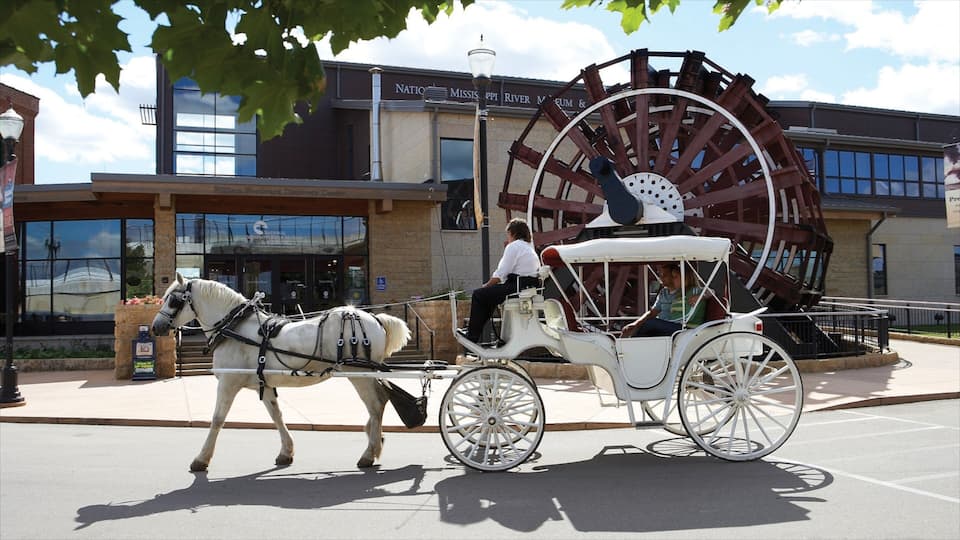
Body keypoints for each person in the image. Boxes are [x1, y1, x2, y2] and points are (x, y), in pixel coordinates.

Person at [462, 218, 540, 343]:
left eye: (508, 234)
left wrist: (486, 285)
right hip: (527, 286)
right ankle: (474, 333)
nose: (507, 238)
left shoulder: (513, 246)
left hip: (517, 286)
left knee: (478, 295)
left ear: (512, 233)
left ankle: (472, 335)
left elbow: (501, 273)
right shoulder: (528, 247)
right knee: (490, 296)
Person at [621, 262, 705, 338]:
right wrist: (635, 325)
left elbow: (687, 316)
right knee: (646, 328)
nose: (661, 278)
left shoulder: (693, 292)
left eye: (665, 275)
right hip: (670, 326)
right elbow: (652, 312)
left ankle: (633, 344)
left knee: (650, 323)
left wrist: (704, 295)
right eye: (660, 274)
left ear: (684, 277)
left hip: (684, 329)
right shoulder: (668, 293)